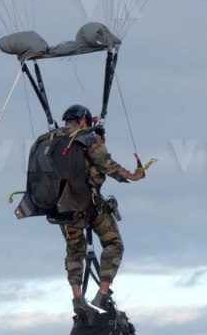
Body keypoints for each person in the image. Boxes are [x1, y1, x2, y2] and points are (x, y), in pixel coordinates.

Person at [54, 104, 144, 315]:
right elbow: (105, 163)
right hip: (86, 206)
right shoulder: (86, 137)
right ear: (84, 120)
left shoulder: (50, 140)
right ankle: (102, 295)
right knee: (114, 243)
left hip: (59, 208)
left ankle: (77, 298)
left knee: (74, 251)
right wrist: (132, 175)